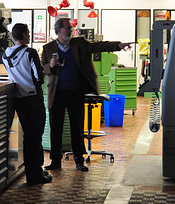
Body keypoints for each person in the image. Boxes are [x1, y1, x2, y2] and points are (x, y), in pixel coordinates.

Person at [42, 17, 132, 172]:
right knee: (55, 129)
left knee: (77, 128)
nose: (70, 30)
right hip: (57, 93)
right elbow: (42, 68)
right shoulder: (48, 48)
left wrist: (118, 45)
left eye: (70, 28)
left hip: (76, 92)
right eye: (68, 28)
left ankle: (79, 160)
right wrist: (49, 65)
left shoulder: (79, 43)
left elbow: (98, 46)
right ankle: (55, 161)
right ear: (59, 30)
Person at [2, 23, 52, 185]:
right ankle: (35, 173)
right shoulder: (29, 53)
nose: (29, 36)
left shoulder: (6, 54)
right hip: (32, 98)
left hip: (18, 100)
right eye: (28, 33)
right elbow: (39, 77)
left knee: (28, 137)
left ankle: (31, 171)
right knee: (35, 137)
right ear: (23, 35)